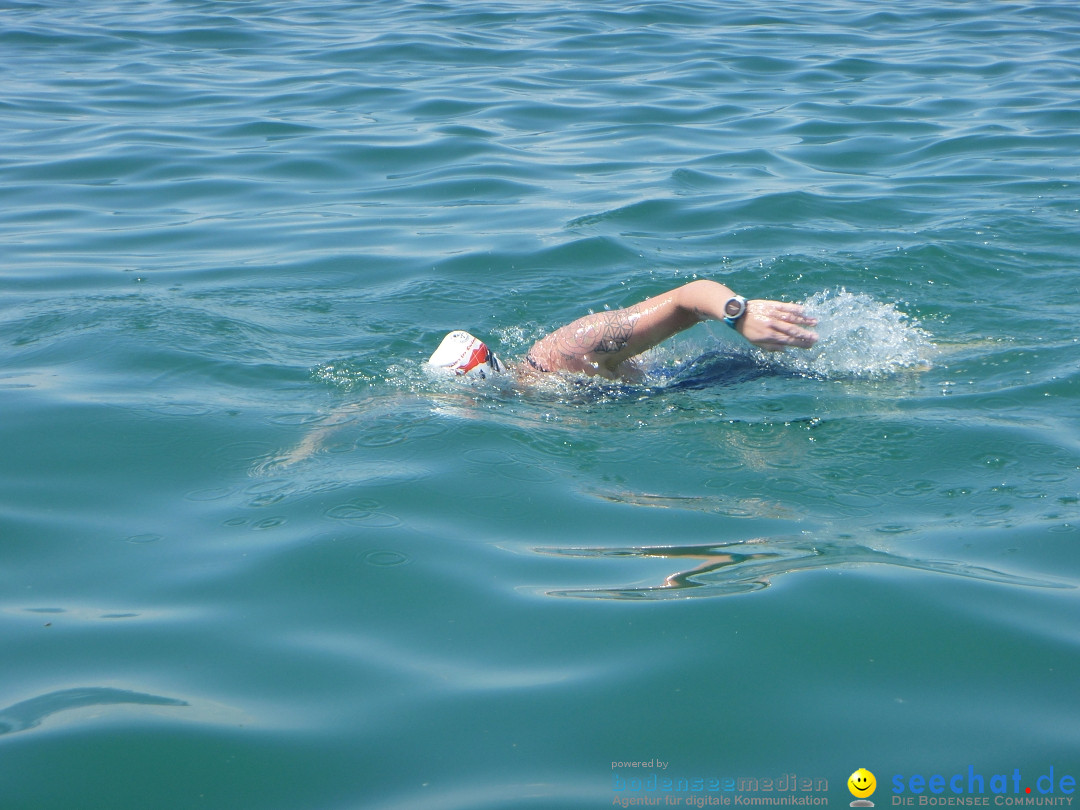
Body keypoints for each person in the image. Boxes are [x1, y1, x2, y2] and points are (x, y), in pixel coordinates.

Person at [427, 279, 818, 381]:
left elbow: (687, 297)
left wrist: (739, 314)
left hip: (717, 374)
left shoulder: (570, 350)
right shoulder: (530, 395)